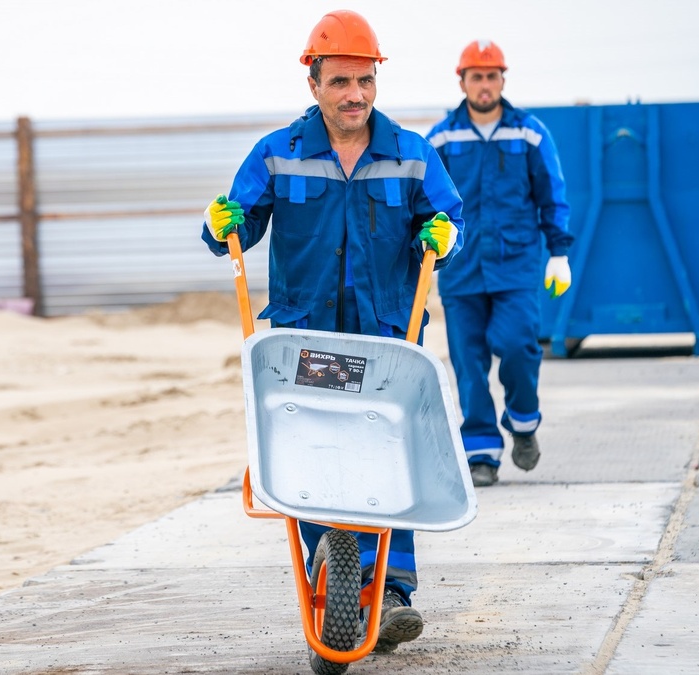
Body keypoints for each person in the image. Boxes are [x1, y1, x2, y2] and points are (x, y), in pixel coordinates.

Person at [201, 10, 465, 654]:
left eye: (365, 80)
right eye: (341, 81)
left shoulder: (411, 154)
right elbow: (236, 228)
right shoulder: (277, 153)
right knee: (312, 450)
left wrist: (444, 235)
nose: (356, 94)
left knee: (389, 451)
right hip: (305, 337)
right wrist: (218, 224)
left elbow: (448, 221)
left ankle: (392, 589)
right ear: (314, 84)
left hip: (385, 335)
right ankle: (336, 566)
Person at [424, 40, 574, 488]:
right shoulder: (441, 138)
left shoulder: (529, 133)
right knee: (468, 363)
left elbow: (552, 194)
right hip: (460, 269)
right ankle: (482, 453)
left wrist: (559, 251)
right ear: (462, 82)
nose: (485, 85)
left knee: (518, 346)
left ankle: (523, 423)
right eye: (477, 77)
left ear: (502, 80)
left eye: (492, 76)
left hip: (515, 267)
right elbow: (421, 201)